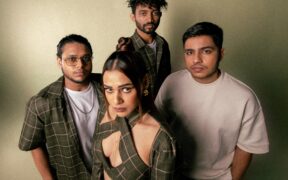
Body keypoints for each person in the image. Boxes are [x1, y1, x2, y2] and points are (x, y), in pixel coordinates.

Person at [155, 22, 269, 180]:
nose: (196, 59)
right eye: (189, 52)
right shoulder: (171, 83)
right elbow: (155, 126)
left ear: (221, 53)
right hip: (173, 174)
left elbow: (246, 148)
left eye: (206, 51)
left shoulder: (244, 97)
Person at [18, 34, 105, 179]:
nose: (80, 65)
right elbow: (34, 144)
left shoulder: (108, 86)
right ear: (59, 61)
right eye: (72, 59)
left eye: (86, 58)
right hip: (70, 174)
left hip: (109, 173)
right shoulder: (42, 102)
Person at [92, 51, 176, 179]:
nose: (116, 100)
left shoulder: (162, 139)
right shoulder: (106, 109)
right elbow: (96, 169)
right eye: (109, 89)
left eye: (126, 89)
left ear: (145, 82)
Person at [116, 0, 171, 99]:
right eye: (143, 13)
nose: (150, 19)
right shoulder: (126, 47)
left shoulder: (163, 43)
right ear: (133, 17)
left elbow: (167, 79)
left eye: (155, 13)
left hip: (162, 107)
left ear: (160, 15)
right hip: (138, 109)